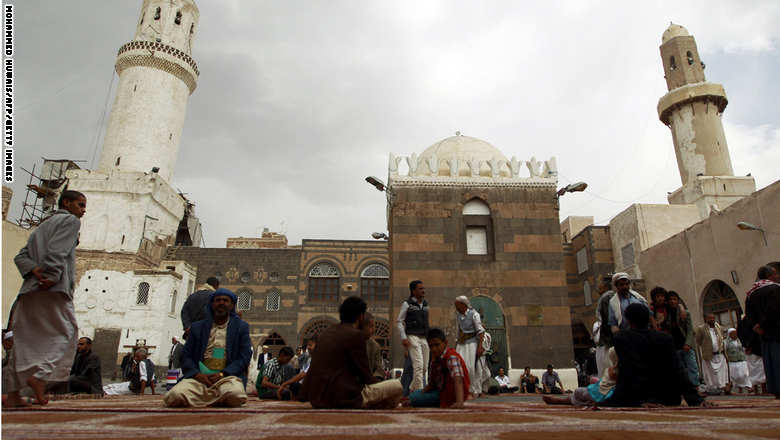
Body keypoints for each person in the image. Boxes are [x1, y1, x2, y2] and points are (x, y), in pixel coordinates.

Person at [6, 190, 85, 407]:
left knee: (23, 341)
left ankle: (13, 395)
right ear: (66, 203)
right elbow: (57, 250)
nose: (83, 210)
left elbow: (21, 257)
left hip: (29, 289)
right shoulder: (70, 221)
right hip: (54, 288)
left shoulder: (42, 226)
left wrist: (34, 271)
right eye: (80, 205)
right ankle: (40, 376)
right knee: (67, 332)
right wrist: (50, 275)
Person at [299, 296, 403, 409]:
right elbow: (365, 376)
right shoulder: (356, 335)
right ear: (361, 317)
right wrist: (381, 385)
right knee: (397, 385)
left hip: (317, 398)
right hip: (341, 398)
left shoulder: (326, 333)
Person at [603, 303, 711, 407]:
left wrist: (621, 399)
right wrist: (695, 400)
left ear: (629, 321)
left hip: (635, 397)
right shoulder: (665, 338)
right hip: (667, 396)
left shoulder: (622, 338)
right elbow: (678, 370)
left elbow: (628, 371)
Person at [164, 288, 251, 408]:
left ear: (232, 305)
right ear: (212, 304)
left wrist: (223, 374)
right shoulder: (197, 327)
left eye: (225, 300)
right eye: (218, 300)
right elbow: (186, 356)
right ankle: (217, 399)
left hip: (226, 378)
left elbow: (244, 357)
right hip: (199, 378)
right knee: (174, 395)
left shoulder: (241, 327)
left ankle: (204, 398)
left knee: (235, 395)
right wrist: (197, 374)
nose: (221, 303)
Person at [407, 328, 469, 408]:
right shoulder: (436, 359)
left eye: (437, 345)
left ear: (445, 343)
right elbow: (432, 384)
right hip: (441, 391)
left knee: (415, 398)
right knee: (414, 395)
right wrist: (421, 393)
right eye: (431, 346)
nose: (434, 349)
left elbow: (458, 379)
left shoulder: (451, 357)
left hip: (454, 394)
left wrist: (459, 402)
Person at [745, 263, 780, 399]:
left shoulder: (751, 293)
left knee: (769, 361)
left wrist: (757, 326)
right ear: (769, 276)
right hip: (776, 330)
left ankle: (775, 388)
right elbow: (774, 310)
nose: (778, 276)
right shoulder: (775, 289)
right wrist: (761, 324)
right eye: (775, 273)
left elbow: (749, 314)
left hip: (763, 333)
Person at [543, 347, 618, 407]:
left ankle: (560, 401)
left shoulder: (615, 370)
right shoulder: (545, 374)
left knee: (578, 392)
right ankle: (561, 401)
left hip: (601, 394)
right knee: (580, 391)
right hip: (599, 392)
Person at [396, 280, 429, 393]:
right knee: (418, 366)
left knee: (424, 367)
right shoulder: (407, 304)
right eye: (420, 289)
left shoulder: (425, 304)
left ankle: (411, 388)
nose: (423, 291)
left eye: (423, 288)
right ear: (413, 291)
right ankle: (419, 392)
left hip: (424, 337)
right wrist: (404, 337)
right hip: (412, 336)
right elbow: (399, 321)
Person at [454, 296, 485, 398]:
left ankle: (471, 390)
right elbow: (458, 330)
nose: (456, 307)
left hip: (472, 343)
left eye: (457, 305)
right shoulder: (458, 315)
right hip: (461, 344)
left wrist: (480, 346)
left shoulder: (474, 314)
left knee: (470, 367)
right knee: (458, 366)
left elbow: (480, 331)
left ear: (463, 305)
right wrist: (456, 344)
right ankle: (461, 389)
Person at [665, 291, 699, 387]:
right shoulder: (666, 314)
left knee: (692, 367)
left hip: (685, 345)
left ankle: (695, 387)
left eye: (674, 299)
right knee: (680, 370)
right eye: (670, 299)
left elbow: (690, 330)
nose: (672, 301)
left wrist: (688, 343)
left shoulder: (684, 313)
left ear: (678, 300)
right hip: (674, 346)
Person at [696, 313, 729, 394]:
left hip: (719, 355)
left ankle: (722, 387)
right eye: (710, 318)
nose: (712, 319)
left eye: (713, 318)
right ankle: (713, 389)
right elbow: (698, 341)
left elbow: (722, 339)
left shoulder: (719, 327)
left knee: (721, 374)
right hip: (709, 355)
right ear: (706, 319)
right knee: (710, 374)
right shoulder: (701, 329)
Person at [594, 278, 615, 377]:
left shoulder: (607, 297)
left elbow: (607, 318)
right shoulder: (607, 297)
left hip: (608, 338)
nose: (598, 288)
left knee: (607, 366)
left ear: (606, 287)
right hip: (606, 337)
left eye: (600, 286)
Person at [725, 328, 752, 393]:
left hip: (742, 360)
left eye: (735, 333)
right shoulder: (726, 342)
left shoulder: (740, 340)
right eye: (732, 333)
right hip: (732, 361)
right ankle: (739, 389)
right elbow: (725, 351)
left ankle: (749, 387)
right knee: (736, 376)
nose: (734, 334)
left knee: (745, 374)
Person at [362, 313, 386, 381]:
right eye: (371, 326)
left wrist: (376, 378)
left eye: (374, 326)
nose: (374, 330)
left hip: (369, 382)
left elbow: (378, 369)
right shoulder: (349, 341)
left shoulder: (375, 346)